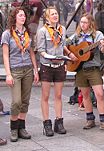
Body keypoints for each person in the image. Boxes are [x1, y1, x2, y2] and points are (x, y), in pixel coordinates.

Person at [68, 13, 104, 132]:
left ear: (90, 24)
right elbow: (66, 44)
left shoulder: (98, 35)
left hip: (93, 69)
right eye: (81, 22)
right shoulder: (77, 36)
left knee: (99, 94)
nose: (82, 24)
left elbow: (103, 50)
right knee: (85, 95)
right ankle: (90, 119)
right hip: (80, 69)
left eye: (85, 22)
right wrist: (71, 53)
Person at [36, 7, 77, 137]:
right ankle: (46, 123)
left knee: (58, 95)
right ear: (47, 18)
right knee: (45, 96)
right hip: (47, 65)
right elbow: (40, 49)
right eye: (52, 14)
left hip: (59, 65)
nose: (55, 16)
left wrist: (67, 57)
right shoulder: (42, 31)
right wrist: (48, 56)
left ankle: (59, 122)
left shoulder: (62, 29)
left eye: (56, 14)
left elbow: (62, 45)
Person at [1, 7, 39, 142]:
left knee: (25, 101)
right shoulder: (7, 34)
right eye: (20, 15)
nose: (23, 18)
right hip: (15, 71)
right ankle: (13, 128)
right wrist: (8, 74)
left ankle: (21, 127)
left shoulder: (28, 33)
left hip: (28, 69)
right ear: (14, 18)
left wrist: (35, 69)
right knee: (16, 102)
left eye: (24, 16)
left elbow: (31, 52)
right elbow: (5, 56)